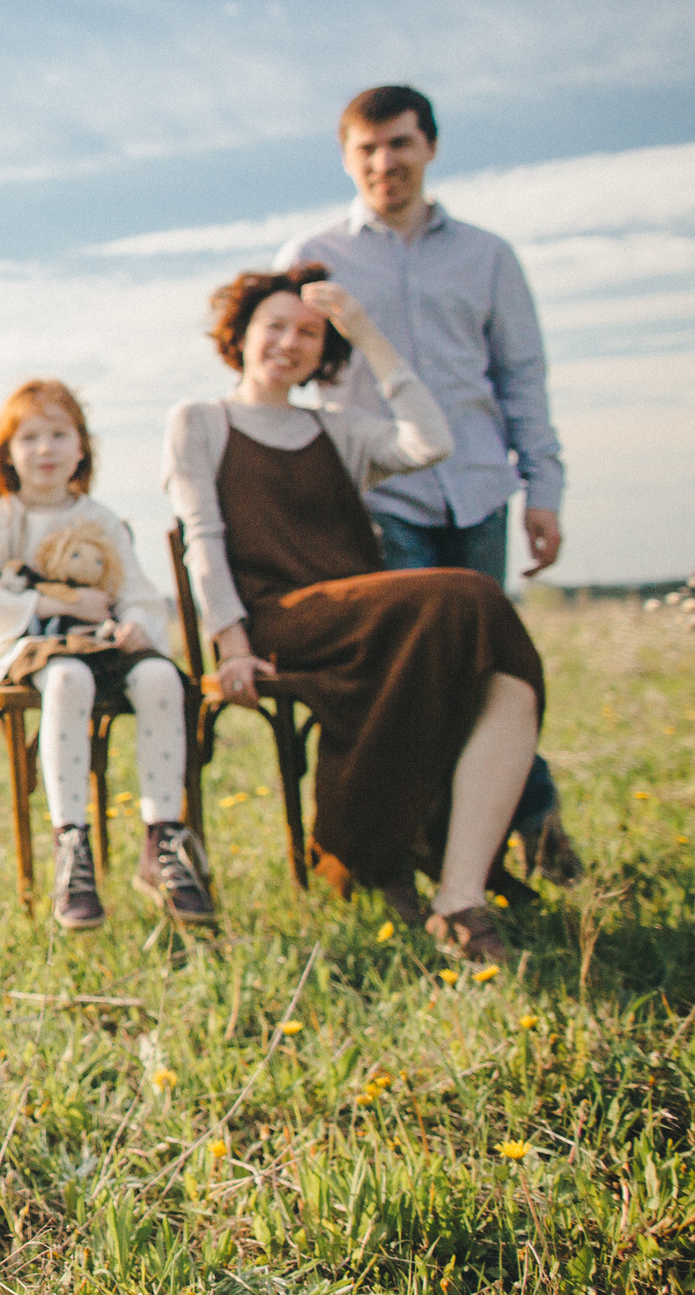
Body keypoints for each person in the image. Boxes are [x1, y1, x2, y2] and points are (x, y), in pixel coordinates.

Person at [162, 263, 545, 964]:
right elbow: (203, 541)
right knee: (472, 597)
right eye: (274, 325)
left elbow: (432, 443)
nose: (290, 342)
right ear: (240, 334)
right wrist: (232, 645)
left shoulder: (336, 428)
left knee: (507, 678)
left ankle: (458, 896)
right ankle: (374, 846)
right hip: (281, 624)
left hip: (366, 624)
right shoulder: (202, 421)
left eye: (309, 332)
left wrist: (368, 336)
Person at [275, 83, 579, 880]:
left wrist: (542, 488)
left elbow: (521, 377)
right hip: (381, 497)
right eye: (367, 149)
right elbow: (280, 371)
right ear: (346, 158)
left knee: (493, 669)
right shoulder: (312, 256)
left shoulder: (488, 256)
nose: (385, 162)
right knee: (427, 673)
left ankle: (522, 822)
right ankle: (479, 836)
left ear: (429, 147)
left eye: (400, 144)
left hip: (478, 487)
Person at [0, 379, 210, 930]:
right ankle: (73, 844)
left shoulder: (101, 518)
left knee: (162, 679)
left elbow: (139, 593)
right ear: (9, 452)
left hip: (102, 644)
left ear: (82, 447)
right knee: (68, 678)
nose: (45, 450)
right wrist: (47, 600)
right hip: (28, 646)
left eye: (59, 435)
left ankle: (163, 839)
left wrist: (135, 625)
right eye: (30, 438)